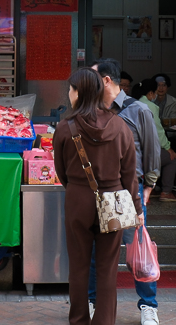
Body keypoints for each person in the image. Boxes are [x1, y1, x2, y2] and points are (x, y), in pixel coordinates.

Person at [54, 67, 144, 325]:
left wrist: (77, 189)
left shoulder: (64, 127)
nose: (69, 93)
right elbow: (130, 175)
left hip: (78, 199)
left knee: (79, 266)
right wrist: (136, 207)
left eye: (71, 89)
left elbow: (62, 173)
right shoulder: (120, 126)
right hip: (114, 201)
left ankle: (79, 320)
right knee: (107, 269)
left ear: (78, 92)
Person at [92, 59, 160, 325]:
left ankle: (149, 306)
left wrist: (149, 187)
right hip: (102, 191)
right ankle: (92, 303)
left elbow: (152, 150)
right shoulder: (94, 111)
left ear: (107, 80)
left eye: (93, 78)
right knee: (99, 251)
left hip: (132, 191)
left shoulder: (138, 110)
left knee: (138, 247)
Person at [132, 78, 176, 203]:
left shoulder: (131, 103)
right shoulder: (150, 107)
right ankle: (166, 192)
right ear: (150, 93)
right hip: (145, 152)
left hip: (133, 151)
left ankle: (151, 188)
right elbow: (158, 131)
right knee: (172, 159)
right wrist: (168, 147)